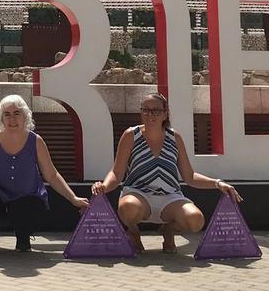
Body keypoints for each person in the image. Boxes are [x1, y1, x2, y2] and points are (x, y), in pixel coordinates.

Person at [91, 92, 243, 254]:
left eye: (156, 110)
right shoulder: (130, 135)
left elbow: (190, 177)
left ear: (165, 113)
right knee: (128, 207)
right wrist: (103, 186)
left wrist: (218, 183)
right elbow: (117, 172)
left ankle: (168, 231)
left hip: (170, 198)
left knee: (196, 220)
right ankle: (133, 232)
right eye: (146, 110)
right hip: (138, 194)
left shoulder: (175, 137)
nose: (150, 115)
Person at [0, 94, 89, 255]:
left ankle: (23, 238)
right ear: (1, 119)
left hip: (26, 201)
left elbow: (52, 175)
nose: (12, 119)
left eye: (17, 113)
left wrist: (73, 198)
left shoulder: (36, 141)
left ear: (25, 116)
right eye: (7, 114)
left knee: (27, 203)